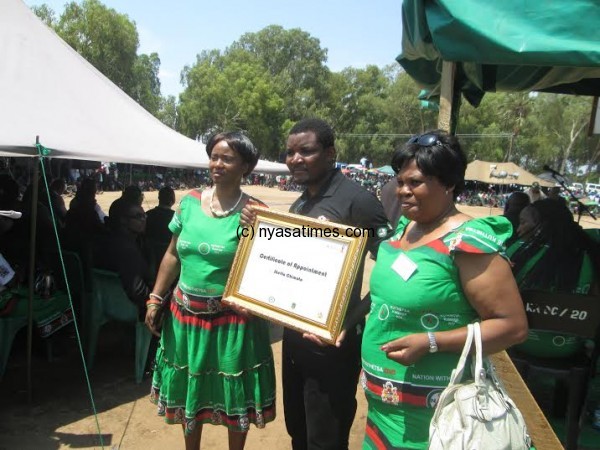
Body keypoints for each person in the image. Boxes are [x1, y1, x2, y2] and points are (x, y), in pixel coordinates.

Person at [360, 131, 528, 449]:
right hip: (383, 413)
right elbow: (382, 300)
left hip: (440, 421)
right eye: (400, 181)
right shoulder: (404, 229)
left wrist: (433, 342)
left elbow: (513, 327)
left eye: (415, 183)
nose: (402, 192)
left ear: (448, 184)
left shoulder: (469, 241)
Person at [243, 118, 392, 450]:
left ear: (330, 153)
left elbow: (392, 275)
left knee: (325, 439)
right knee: (298, 429)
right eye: (290, 152)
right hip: (295, 339)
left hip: (333, 346)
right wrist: (258, 228)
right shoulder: (301, 202)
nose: (295, 159)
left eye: (306, 151)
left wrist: (349, 320)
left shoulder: (359, 201)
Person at [145, 131, 276, 450]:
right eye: (214, 156)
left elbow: (269, 267)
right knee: (192, 388)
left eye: (226, 158)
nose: (217, 164)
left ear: (245, 166)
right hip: (185, 320)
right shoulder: (188, 202)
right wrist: (155, 297)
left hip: (233, 324)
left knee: (234, 394)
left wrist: (257, 227)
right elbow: (172, 254)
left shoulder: (257, 211)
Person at [507, 198, 600, 358]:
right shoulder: (590, 255)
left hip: (520, 342)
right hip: (571, 347)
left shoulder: (519, 252)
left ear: (542, 225)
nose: (519, 229)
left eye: (523, 222)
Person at [93, 198, 153, 318]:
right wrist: (156, 302)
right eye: (138, 216)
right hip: (130, 309)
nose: (144, 220)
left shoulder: (107, 240)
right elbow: (137, 290)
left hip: (104, 305)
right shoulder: (126, 249)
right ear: (123, 220)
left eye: (144, 215)